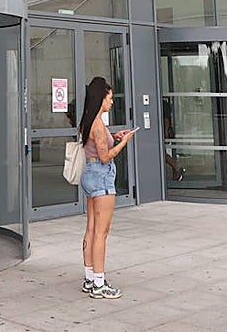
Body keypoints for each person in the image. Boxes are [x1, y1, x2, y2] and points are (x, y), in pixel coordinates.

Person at [78, 76, 135, 299]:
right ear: (101, 98)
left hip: (89, 176)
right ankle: (100, 285)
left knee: (91, 229)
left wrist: (114, 136)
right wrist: (123, 142)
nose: (112, 102)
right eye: (110, 98)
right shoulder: (98, 126)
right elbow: (105, 156)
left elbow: (96, 146)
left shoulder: (88, 122)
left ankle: (89, 278)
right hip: (101, 177)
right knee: (102, 232)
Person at [161, 96, 184, 181]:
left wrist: (166, 131)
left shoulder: (163, 104)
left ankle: (177, 169)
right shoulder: (164, 104)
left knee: (162, 154)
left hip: (161, 131)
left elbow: (166, 119)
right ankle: (176, 170)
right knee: (162, 154)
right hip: (161, 131)